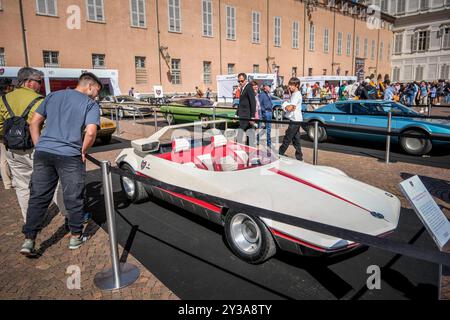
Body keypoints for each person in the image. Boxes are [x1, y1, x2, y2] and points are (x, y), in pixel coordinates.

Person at [20, 72, 101, 256]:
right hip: (70, 155)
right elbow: (90, 133)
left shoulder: (53, 96)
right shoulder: (90, 104)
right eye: (97, 90)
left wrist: (39, 145)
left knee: (39, 196)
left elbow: (34, 123)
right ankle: (75, 236)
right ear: (89, 86)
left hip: (43, 153)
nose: (97, 95)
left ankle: (29, 240)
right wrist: (83, 150)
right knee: (73, 195)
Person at [0, 67, 45, 221]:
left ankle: (29, 219)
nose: (40, 85)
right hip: (35, 148)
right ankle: (68, 216)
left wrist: (9, 137)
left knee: (22, 186)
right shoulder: (40, 100)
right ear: (29, 82)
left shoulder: (4, 99)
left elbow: (0, 127)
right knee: (49, 182)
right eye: (39, 81)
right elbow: (45, 127)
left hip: (12, 149)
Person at [279, 77, 303, 161]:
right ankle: (299, 157)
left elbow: (290, 108)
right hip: (295, 119)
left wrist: (284, 105)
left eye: (291, 85)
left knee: (287, 137)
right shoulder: (294, 94)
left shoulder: (296, 95)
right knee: (296, 139)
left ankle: (280, 153)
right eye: (289, 84)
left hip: (295, 120)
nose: (289, 86)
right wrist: (286, 105)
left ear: (296, 85)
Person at [236, 73, 256, 146]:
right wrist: (236, 114)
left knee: (241, 135)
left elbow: (253, 102)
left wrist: (252, 117)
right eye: (239, 81)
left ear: (246, 80)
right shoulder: (242, 88)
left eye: (242, 81)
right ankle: (249, 149)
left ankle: (242, 149)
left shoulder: (249, 87)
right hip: (243, 115)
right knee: (248, 135)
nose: (240, 83)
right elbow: (241, 103)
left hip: (247, 116)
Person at [258, 83, 273, 150]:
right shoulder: (262, 94)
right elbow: (260, 105)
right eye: (269, 86)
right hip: (266, 113)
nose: (270, 87)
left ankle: (257, 138)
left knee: (266, 129)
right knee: (268, 129)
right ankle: (269, 144)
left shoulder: (268, 94)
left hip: (269, 112)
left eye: (270, 86)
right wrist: (264, 112)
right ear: (265, 87)